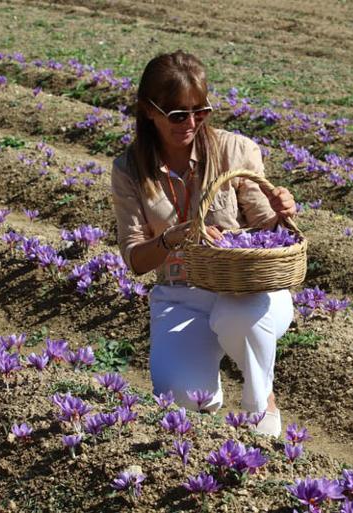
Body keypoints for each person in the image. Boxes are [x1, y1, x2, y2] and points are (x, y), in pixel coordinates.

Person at [111, 50, 297, 436]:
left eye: (201, 111)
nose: (191, 123)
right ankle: (210, 439)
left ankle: (260, 403)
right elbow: (136, 258)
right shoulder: (129, 168)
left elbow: (264, 223)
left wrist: (281, 211)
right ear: (149, 111)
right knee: (182, 398)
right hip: (181, 293)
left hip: (247, 287)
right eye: (178, 115)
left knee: (236, 319)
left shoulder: (235, 150)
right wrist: (171, 238)